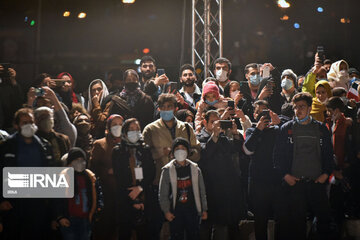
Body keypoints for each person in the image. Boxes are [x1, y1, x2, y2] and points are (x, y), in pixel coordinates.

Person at [274, 92, 335, 240]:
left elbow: (329, 155)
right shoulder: (286, 129)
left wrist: (325, 175)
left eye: (302, 107)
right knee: (296, 226)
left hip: (317, 183)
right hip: (295, 184)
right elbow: (277, 157)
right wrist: (286, 176)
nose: (298, 110)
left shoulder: (321, 129)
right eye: (295, 107)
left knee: (323, 224)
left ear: (309, 108)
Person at [142, 93, 201, 239]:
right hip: (160, 181)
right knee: (158, 223)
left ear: (175, 109)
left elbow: (198, 152)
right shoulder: (150, 129)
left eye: (169, 107)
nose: (166, 110)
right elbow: (144, 156)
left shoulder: (186, 128)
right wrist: (161, 153)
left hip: (185, 183)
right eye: (163, 107)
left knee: (184, 226)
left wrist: (184, 154)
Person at [0, 108, 54, 239]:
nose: (29, 125)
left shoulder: (45, 146)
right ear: (16, 125)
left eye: (31, 122)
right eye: (24, 122)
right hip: (15, 203)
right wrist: (1, 199)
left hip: (38, 203)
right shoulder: (6, 146)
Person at [197, 110, 245, 240]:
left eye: (218, 122)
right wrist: (214, 136)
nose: (216, 125)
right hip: (210, 188)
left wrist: (235, 134)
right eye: (213, 122)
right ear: (204, 122)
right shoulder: (199, 137)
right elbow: (205, 154)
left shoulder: (223, 137)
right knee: (210, 225)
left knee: (229, 223)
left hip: (227, 188)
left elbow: (236, 150)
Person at [243, 101, 284, 240]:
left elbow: (288, 147)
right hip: (258, 183)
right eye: (260, 113)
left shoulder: (278, 130)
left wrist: (279, 124)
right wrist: (258, 130)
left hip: (277, 181)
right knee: (260, 220)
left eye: (265, 112)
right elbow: (248, 150)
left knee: (280, 219)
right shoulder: (251, 131)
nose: (263, 116)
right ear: (255, 115)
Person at [112, 118, 155, 239]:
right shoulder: (118, 151)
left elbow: (151, 172)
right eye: (131, 129)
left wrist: (140, 188)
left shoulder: (145, 149)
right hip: (125, 199)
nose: (134, 132)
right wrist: (133, 200)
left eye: (137, 129)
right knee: (125, 232)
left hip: (144, 196)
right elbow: (119, 177)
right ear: (125, 132)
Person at [159, 137, 208, 240]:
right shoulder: (167, 170)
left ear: (188, 151)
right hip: (175, 212)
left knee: (194, 235)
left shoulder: (195, 169)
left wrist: (204, 209)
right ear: (172, 152)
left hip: (192, 211)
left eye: (183, 148)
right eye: (177, 149)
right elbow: (163, 193)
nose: (180, 151)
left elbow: (202, 191)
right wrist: (166, 211)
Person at [90, 114, 123, 240]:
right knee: (105, 226)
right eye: (114, 124)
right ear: (108, 127)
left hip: (122, 192)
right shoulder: (100, 144)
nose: (118, 127)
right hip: (106, 192)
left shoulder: (127, 144)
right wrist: (107, 171)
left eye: (120, 124)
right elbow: (93, 167)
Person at [55, 147, 99, 240]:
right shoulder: (63, 177)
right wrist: (60, 217)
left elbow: (98, 194)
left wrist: (97, 209)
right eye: (76, 160)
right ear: (70, 163)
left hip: (85, 219)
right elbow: (56, 200)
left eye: (82, 160)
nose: (80, 162)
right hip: (68, 220)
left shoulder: (90, 178)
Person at [0, 65, 23, 133]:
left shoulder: (8, 87)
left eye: (3, 71)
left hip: (8, 125)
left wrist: (13, 79)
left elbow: (19, 99)